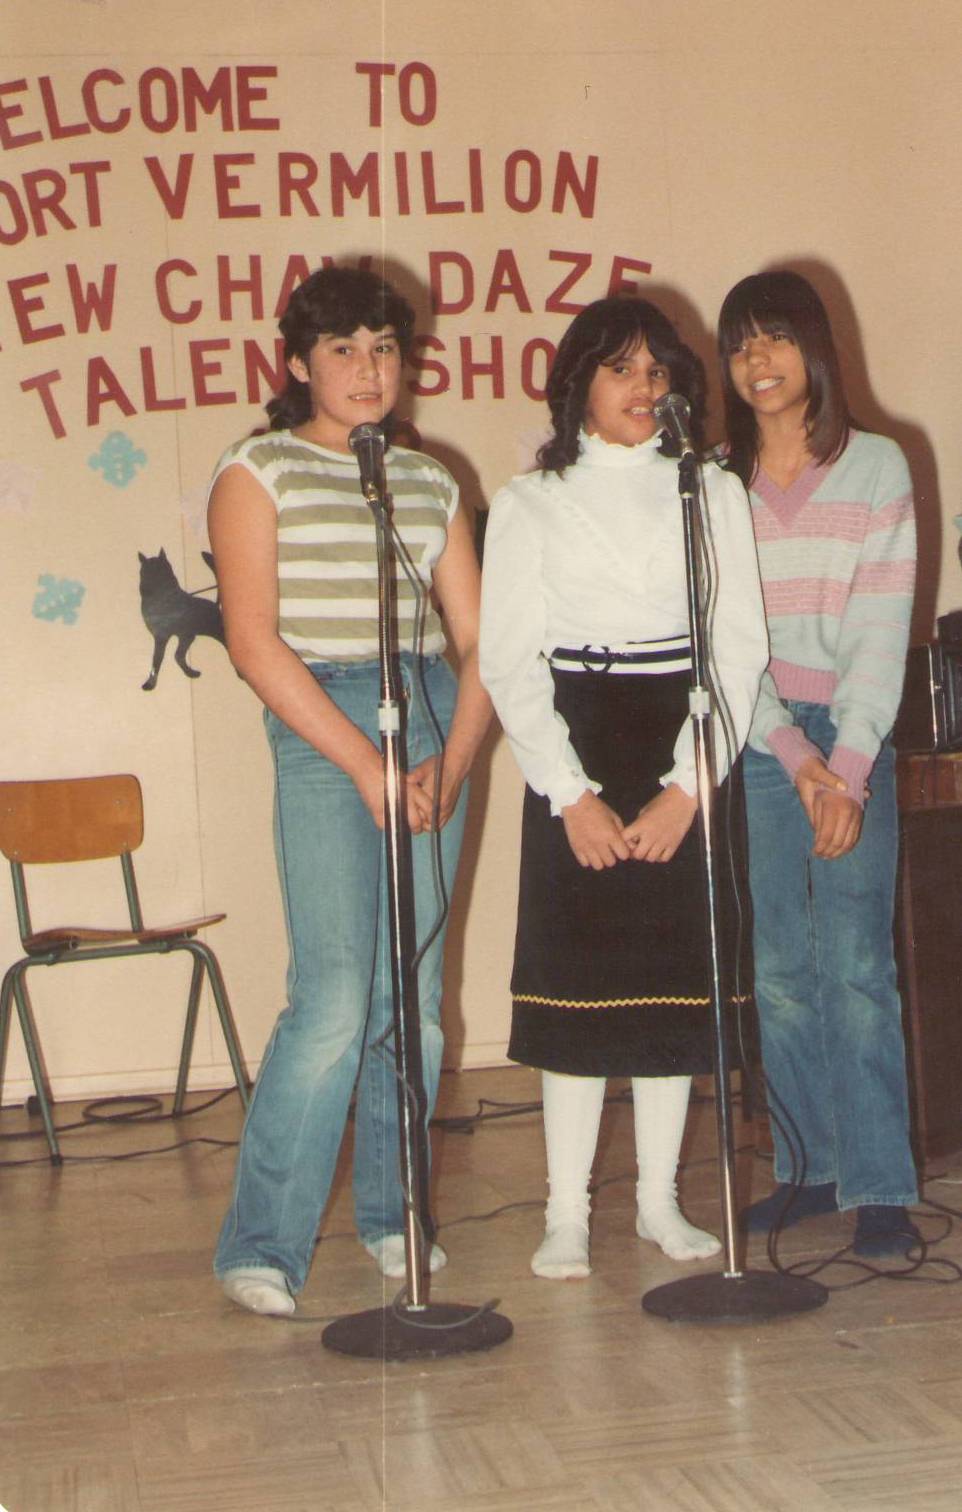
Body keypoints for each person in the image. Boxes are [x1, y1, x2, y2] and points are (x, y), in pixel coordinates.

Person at [208, 265, 491, 1315]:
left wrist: (448, 762)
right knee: (334, 995)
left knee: (410, 1004)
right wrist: (362, 765)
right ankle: (262, 1245)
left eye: (383, 348)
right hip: (323, 719)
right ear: (297, 364)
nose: (368, 371)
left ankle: (390, 1215)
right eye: (342, 352)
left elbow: (476, 640)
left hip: (423, 709)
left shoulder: (425, 478)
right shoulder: (257, 469)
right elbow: (251, 641)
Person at [479, 296, 769, 1279]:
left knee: (668, 987)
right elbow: (510, 664)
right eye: (620, 372)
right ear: (578, 387)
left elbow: (736, 651)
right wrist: (569, 793)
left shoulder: (708, 489)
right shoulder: (531, 502)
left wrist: (689, 788)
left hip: (679, 737)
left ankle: (657, 1199)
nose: (642, 391)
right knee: (580, 988)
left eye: (655, 372)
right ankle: (565, 1209)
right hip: (578, 741)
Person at [717, 269, 920, 1258]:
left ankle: (879, 1183)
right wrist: (793, 759)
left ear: (814, 349)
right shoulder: (716, 484)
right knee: (781, 970)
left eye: (774, 339)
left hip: (852, 732)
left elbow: (879, 633)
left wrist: (842, 762)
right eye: (740, 344)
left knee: (854, 965)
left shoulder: (876, 467)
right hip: (762, 741)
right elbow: (727, 646)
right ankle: (806, 1169)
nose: (758, 362)